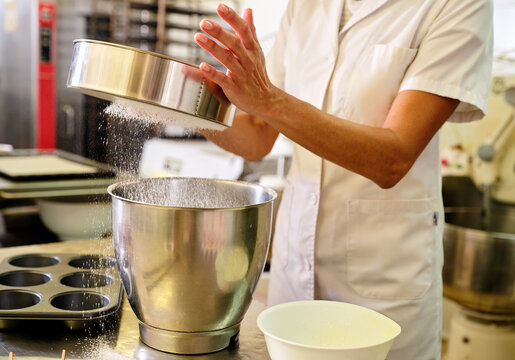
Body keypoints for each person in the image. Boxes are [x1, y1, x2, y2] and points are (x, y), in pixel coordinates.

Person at [194, 1, 493, 359]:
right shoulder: (304, 9)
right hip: (294, 288)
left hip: (382, 293)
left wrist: (268, 99)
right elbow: (257, 136)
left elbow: (394, 157)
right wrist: (184, 102)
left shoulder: (457, 5)